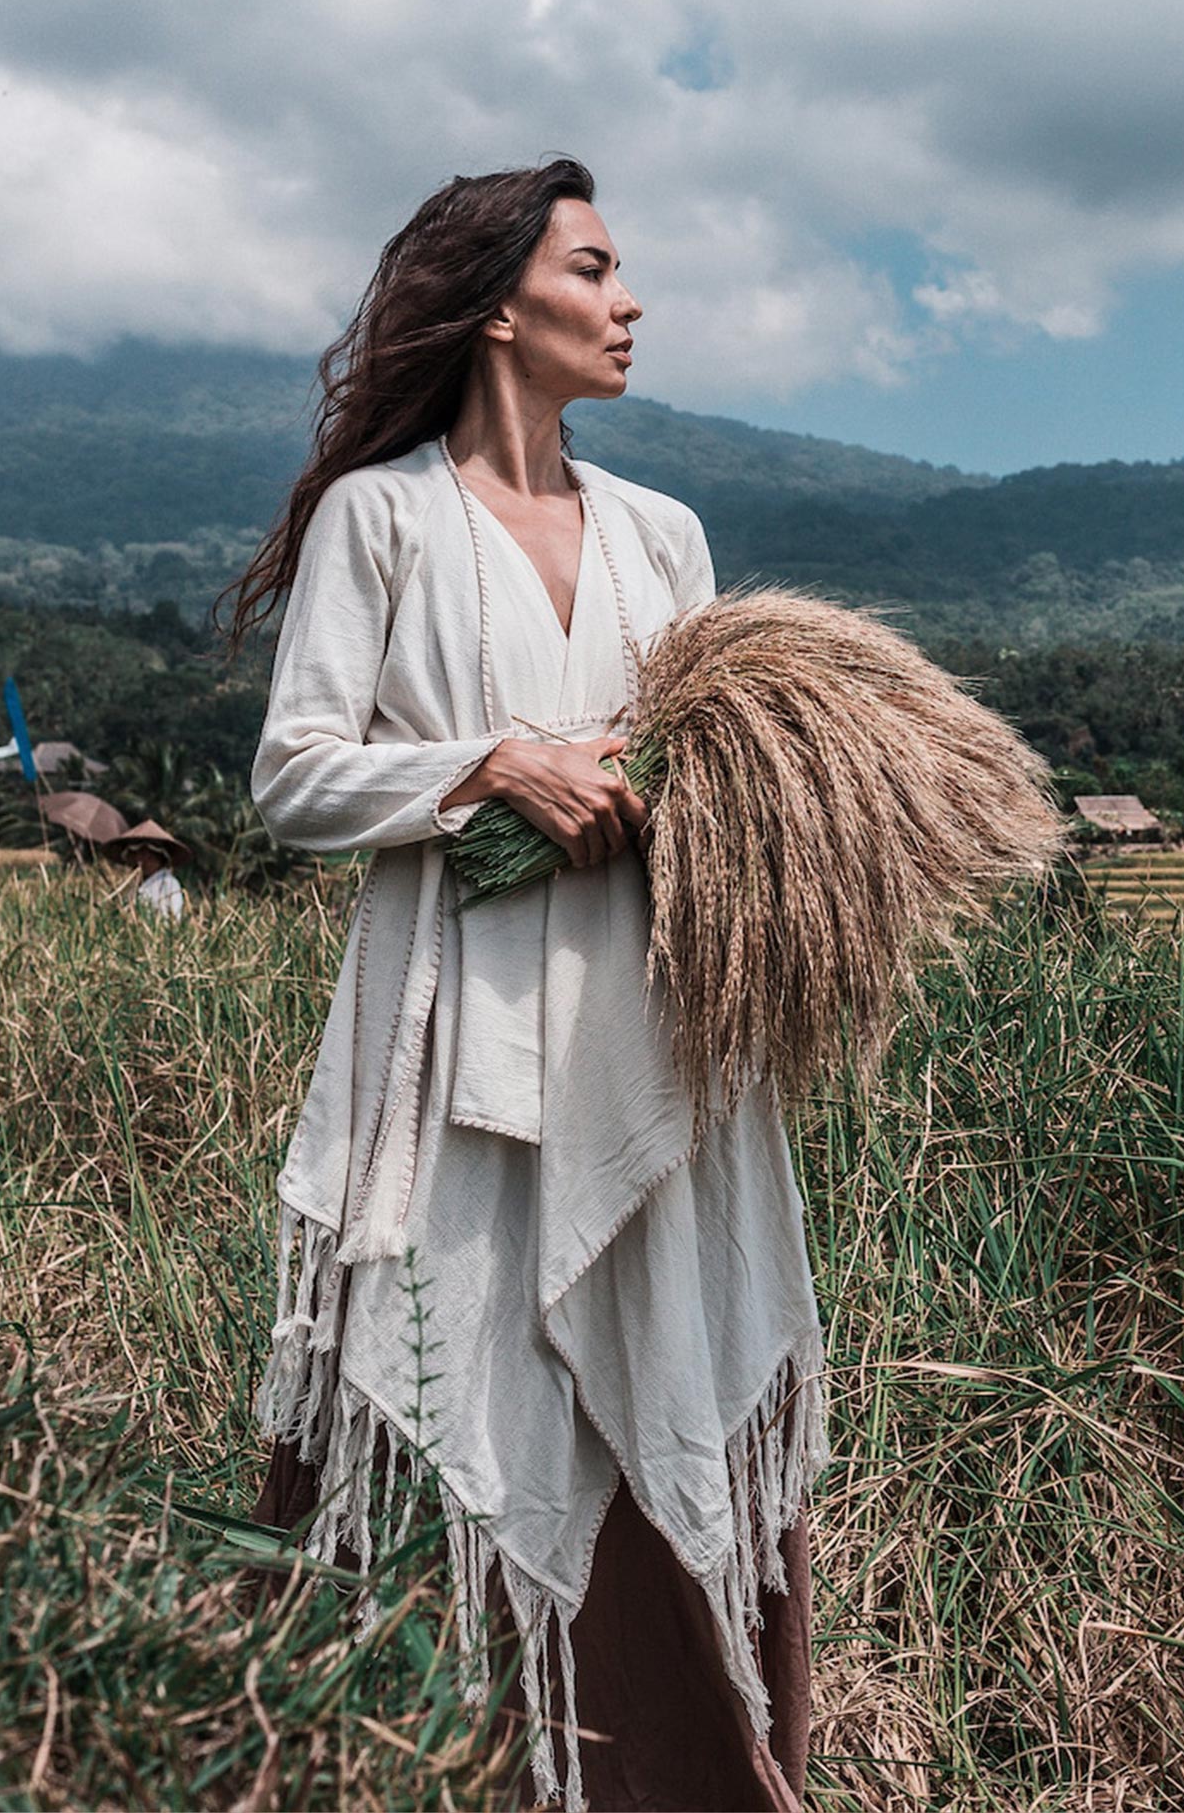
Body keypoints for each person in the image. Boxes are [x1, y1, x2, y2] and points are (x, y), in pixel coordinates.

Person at [226, 159, 829, 1812]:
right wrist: (495, 767)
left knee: (674, 1376)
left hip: (658, 1048)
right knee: (467, 1379)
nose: (633, 300)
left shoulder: (665, 535)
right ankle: (442, 1763)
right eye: (598, 267)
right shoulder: (388, 519)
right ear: (504, 301)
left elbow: (729, 763)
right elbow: (293, 776)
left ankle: (694, 1775)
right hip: (456, 1054)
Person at [106, 819, 189, 919]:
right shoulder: (131, 886)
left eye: (148, 857)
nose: (142, 861)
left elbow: (173, 919)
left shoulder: (169, 884)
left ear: (159, 858)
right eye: (138, 856)